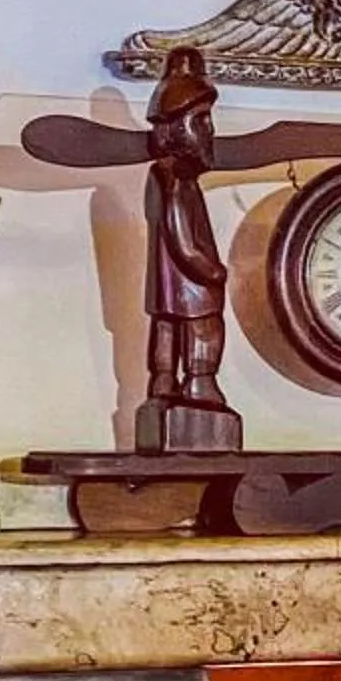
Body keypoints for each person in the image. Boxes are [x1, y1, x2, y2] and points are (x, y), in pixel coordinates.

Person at [137, 46, 240, 449]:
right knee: (203, 327)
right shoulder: (178, 178)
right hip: (191, 283)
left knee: (165, 330)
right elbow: (181, 235)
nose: (210, 130)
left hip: (166, 285)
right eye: (202, 121)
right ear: (174, 128)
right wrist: (210, 269)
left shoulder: (162, 175)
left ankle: (163, 383)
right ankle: (200, 383)